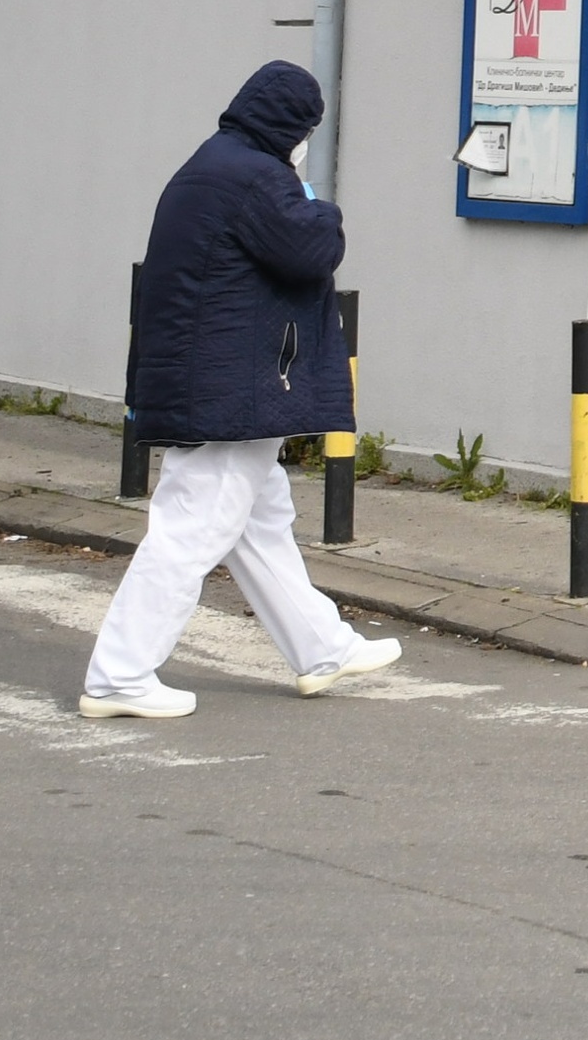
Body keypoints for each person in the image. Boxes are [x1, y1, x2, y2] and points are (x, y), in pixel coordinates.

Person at [83, 59, 404, 717]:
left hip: (209, 378)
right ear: (289, 125)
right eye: (307, 128)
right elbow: (311, 250)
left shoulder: (211, 164)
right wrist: (323, 207)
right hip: (233, 389)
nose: (306, 141)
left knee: (260, 524)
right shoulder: (257, 178)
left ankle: (322, 649)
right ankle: (119, 674)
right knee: (192, 527)